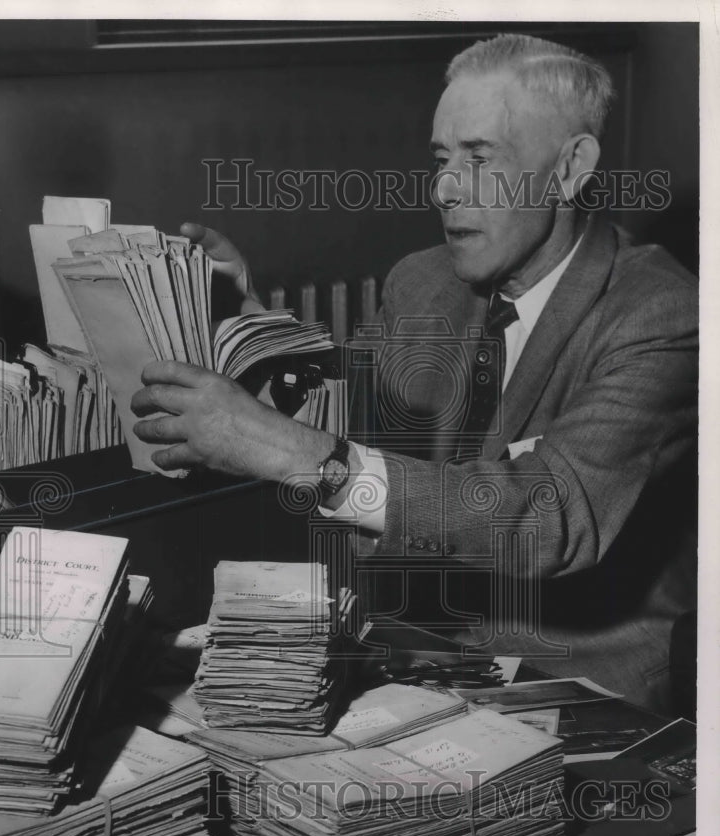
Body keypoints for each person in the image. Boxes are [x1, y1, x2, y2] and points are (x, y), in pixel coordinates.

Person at [130, 34, 698, 713]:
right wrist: (250, 327)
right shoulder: (423, 280)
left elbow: (548, 516)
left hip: (582, 691)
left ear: (571, 166)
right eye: (441, 159)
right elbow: (353, 411)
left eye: (480, 157)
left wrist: (296, 453)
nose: (444, 188)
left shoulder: (664, 314)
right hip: (412, 658)